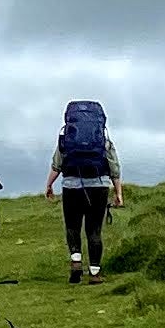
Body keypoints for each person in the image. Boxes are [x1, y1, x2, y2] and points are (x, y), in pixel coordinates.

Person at [42, 99, 131, 284]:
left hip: (71, 187)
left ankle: (76, 261)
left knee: (72, 226)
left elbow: (57, 164)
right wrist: (118, 193)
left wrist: (49, 185)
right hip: (99, 187)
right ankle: (95, 273)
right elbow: (114, 167)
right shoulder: (103, 140)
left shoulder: (66, 137)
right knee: (94, 230)